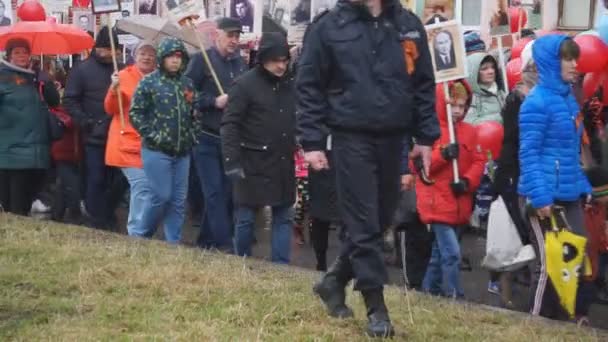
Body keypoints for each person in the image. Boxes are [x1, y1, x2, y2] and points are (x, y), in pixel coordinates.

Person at [297, 0, 439, 337]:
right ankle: (376, 306)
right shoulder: (329, 26)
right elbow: (309, 86)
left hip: (395, 137)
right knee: (362, 223)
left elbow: (422, 83)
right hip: (350, 136)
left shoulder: (408, 25)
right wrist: (312, 140)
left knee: (379, 221)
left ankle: (333, 282)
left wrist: (425, 136)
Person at [518, 35, 594, 322]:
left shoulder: (568, 101)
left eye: (576, 58)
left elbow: (569, 152)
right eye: (568, 58)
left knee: (573, 258)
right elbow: (529, 153)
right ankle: (535, 323)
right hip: (543, 196)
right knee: (549, 263)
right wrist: (540, 197)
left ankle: (562, 321)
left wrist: (583, 186)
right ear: (552, 62)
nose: (575, 64)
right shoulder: (536, 103)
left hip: (568, 193)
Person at [221, 32, 296, 264]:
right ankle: (242, 263)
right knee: (246, 218)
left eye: (284, 60)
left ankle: (280, 267)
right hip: (251, 160)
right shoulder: (245, 84)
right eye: (276, 60)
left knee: (283, 216)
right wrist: (232, 161)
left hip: (283, 160)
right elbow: (229, 124)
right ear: (263, 58)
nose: (281, 65)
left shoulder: (289, 84)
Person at [415, 80, 485, 298]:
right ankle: (454, 294)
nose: (457, 111)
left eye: (462, 106)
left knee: (439, 253)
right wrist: (443, 155)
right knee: (452, 253)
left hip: (458, 201)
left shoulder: (470, 132)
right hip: (437, 201)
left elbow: (478, 160)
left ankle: (429, 288)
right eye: (453, 105)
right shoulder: (430, 132)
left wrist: (467, 181)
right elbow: (420, 165)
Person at [186, 18, 247, 251]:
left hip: (231, 138)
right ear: (217, 35)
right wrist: (212, 101)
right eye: (230, 35)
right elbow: (187, 94)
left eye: (237, 36)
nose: (234, 40)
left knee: (227, 194)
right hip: (206, 137)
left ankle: (205, 242)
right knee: (213, 193)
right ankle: (224, 246)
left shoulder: (240, 63)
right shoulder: (201, 60)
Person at [130, 37, 198, 244]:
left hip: (182, 151)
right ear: (162, 58)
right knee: (160, 195)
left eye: (179, 56)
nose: (175, 61)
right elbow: (136, 113)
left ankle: (173, 243)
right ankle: (142, 235)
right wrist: (152, 135)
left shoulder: (187, 83)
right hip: (156, 150)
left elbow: (195, 113)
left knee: (178, 201)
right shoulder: (149, 82)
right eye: (171, 56)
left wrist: (193, 135)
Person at [64, 26, 127, 230]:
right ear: (98, 48)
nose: (111, 53)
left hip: (121, 135)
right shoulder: (82, 70)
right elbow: (70, 101)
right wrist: (86, 122)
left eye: (115, 49)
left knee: (121, 180)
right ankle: (97, 220)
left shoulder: (123, 70)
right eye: (107, 48)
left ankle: (106, 212)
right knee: (96, 178)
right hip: (94, 136)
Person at [490, 40, 536, 303]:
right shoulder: (516, 99)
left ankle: (518, 285)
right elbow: (513, 139)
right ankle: (503, 291)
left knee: (524, 232)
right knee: (512, 233)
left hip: (523, 171)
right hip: (513, 171)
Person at [0, 38, 59, 215]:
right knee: (12, 204)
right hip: (9, 150)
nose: (22, 56)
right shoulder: (3, 77)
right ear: (8, 56)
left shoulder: (36, 78)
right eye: (17, 52)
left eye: (25, 52)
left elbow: (54, 102)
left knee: (24, 201)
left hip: (36, 151)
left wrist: (46, 82)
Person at [104, 41, 157, 238]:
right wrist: (113, 90)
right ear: (135, 55)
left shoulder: (160, 79)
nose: (147, 57)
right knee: (142, 186)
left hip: (151, 145)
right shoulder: (123, 76)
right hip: (126, 143)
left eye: (151, 54)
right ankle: (136, 234)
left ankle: (144, 231)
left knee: (152, 190)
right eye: (143, 53)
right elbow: (110, 109)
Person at [464, 52, 507, 125]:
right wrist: (501, 117)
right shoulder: (471, 98)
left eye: (493, 67)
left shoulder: (501, 92)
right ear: (474, 72)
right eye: (484, 69)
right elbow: (470, 123)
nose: (491, 71)